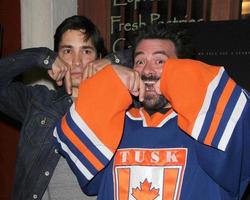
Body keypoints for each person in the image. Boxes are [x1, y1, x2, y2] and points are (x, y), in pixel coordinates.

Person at [54, 23, 250, 199]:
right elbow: (88, 176)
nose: (147, 71)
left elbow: (240, 124)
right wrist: (109, 77)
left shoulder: (207, 122)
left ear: (182, 67)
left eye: (160, 61)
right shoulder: (117, 121)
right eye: (139, 62)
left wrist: (174, 78)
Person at [0, 15, 111, 200]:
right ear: (56, 57)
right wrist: (40, 57)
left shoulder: (122, 106)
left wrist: (112, 62)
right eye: (67, 51)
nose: (76, 61)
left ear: (99, 58)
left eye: (86, 51)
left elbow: (159, 65)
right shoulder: (38, 103)